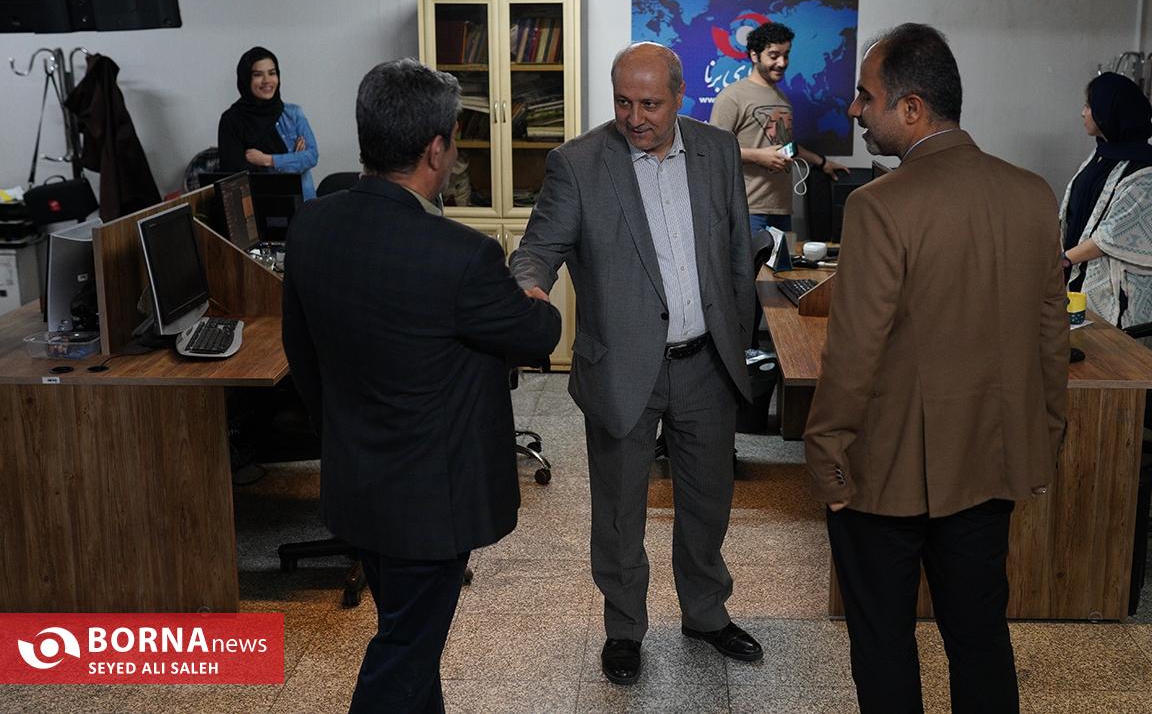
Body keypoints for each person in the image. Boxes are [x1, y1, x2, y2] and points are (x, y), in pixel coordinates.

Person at [803, 24, 1069, 714]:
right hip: (990, 461)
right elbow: (1051, 333)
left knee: (884, 641)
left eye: (867, 97)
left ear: (912, 108)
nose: (856, 110)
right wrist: (1043, 436)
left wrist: (826, 455)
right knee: (980, 636)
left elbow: (854, 352)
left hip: (885, 471)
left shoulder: (878, 205)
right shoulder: (1033, 194)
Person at [281, 58, 561, 713]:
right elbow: (537, 334)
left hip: (357, 484)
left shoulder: (312, 225)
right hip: (432, 505)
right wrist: (532, 294)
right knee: (404, 654)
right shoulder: (460, 254)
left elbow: (302, 352)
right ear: (437, 149)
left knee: (408, 636)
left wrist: (344, 432)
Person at [509, 42, 760, 686]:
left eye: (650, 104)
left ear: (679, 97)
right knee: (620, 509)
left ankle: (705, 613)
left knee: (708, 499)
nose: (634, 117)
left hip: (706, 361)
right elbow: (538, 247)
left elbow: (737, 251)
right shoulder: (578, 162)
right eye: (623, 102)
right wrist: (529, 285)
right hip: (621, 366)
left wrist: (738, 337)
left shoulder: (717, 151)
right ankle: (624, 628)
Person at [1060, 72, 1152, 354]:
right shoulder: (1101, 155)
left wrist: (1063, 260)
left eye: (1089, 105)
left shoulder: (1147, 170)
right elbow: (1072, 211)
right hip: (1079, 272)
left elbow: (1112, 235)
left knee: (1111, 362)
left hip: (1122, 291)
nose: (1083, 113)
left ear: (1108, 111)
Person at [709, 21, 849, 235]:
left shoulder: (782, 98)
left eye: (786, 55)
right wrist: (758, 156)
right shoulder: (732, 96)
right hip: (748, 207)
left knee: (784, 259)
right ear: (754, 55)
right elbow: (713, 149)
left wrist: (822, 162)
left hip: (781, 207)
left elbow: (784, 146)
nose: (782, 63)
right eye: (774, 56)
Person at [218, 46, 321, 199]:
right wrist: (293, 159)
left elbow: (312, 156)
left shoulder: (293, 113)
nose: (267, 81)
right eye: (258, 75)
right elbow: (236, 178)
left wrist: (267, 160)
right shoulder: (232, 120)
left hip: (305, 204)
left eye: (272, 73)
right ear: (246, 79)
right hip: (261, 205)